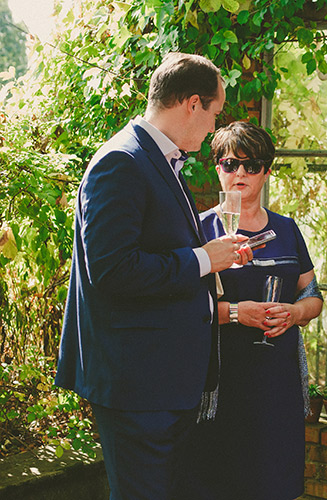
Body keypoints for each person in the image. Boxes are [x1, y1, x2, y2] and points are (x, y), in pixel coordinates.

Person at [55, 53, 252, 500]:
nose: (213, 128)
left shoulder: (158, 160)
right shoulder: (121, 161)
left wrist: (215, 258)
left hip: (162, 381)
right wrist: (203, 259)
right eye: (215, 114)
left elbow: (159, 250)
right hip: (138, 384)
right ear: (192, 103)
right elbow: (113, 270)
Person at [177, 121, 324, 500]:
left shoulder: (287, 229)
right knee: (218, 485)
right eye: (230, 164)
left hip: (278, 381)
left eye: (252, 165)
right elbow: (181, 308)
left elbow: (313, 296)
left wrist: (294, 313)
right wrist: (238, 312)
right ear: (218, 169)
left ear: (266, 171)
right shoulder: (199, 230)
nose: (240, 173)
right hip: (221, 381)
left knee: (274, 484)